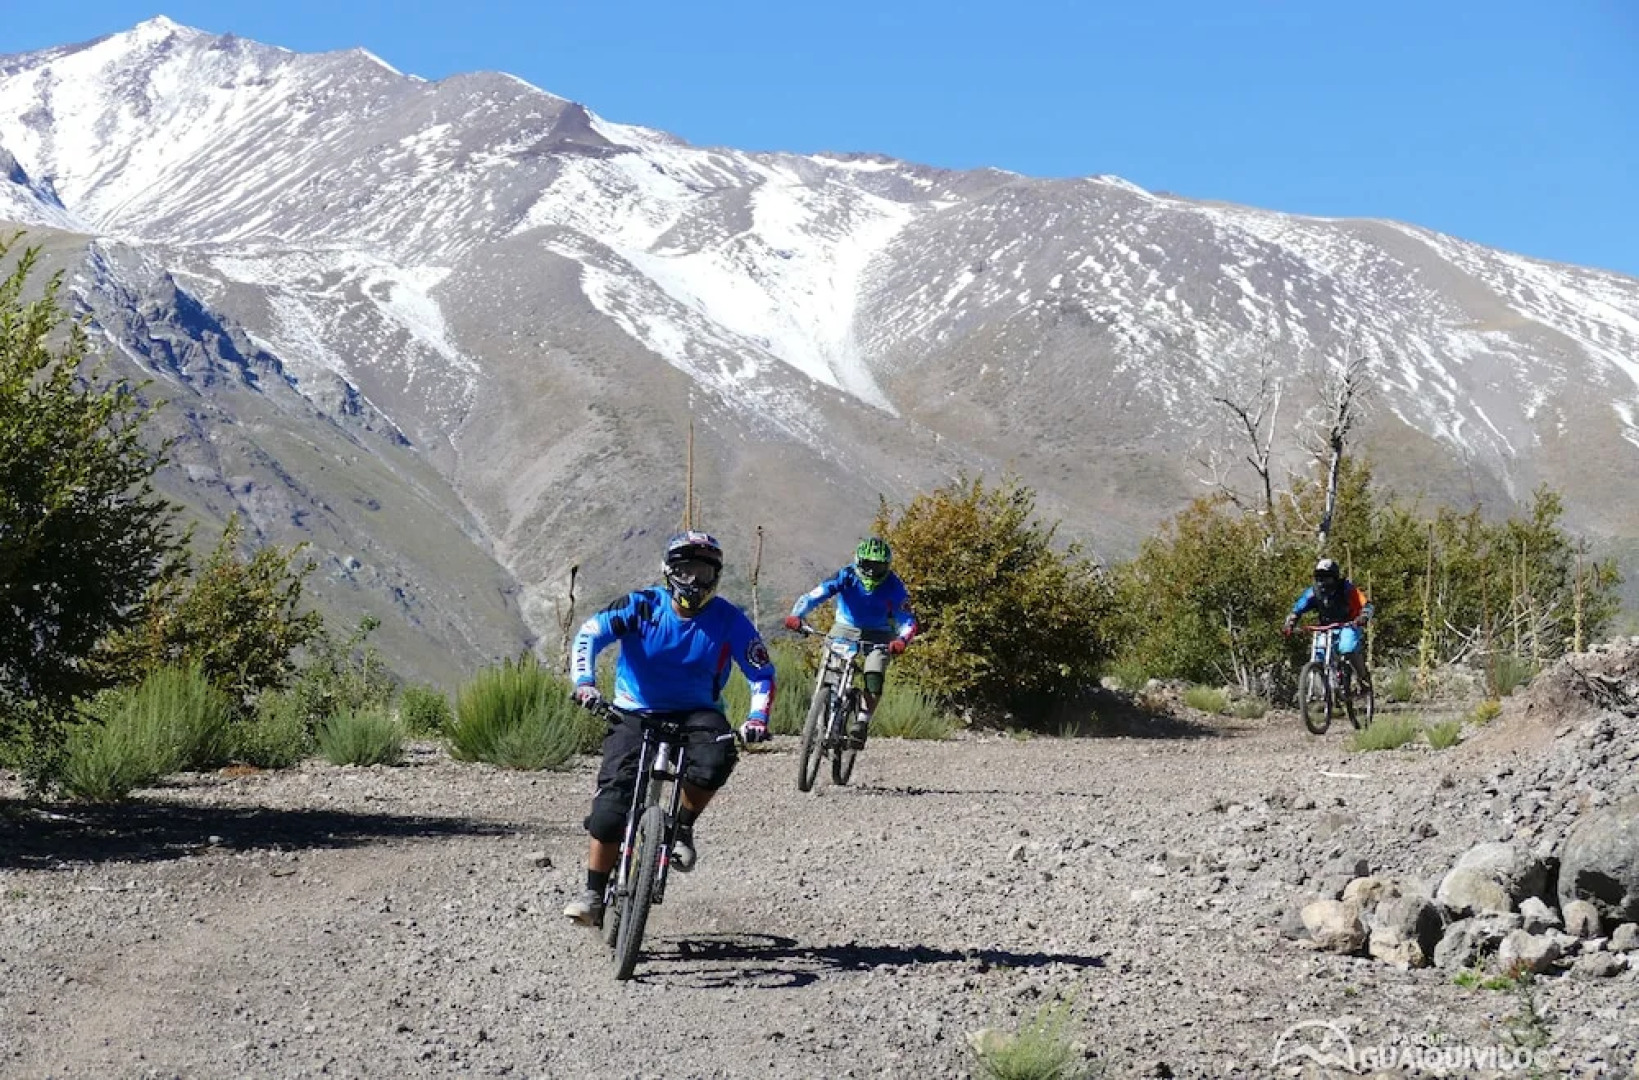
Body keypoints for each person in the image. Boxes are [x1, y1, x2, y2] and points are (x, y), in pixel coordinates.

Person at [563, 530, 775, 926]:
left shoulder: (730, 620)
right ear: (668, 571)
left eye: (703, 571)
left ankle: (682, 828)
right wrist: (585, 683)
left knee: (715, 759)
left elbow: (761, 674)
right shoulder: (640, 605)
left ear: (717, 575)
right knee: (611, 808)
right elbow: (590, 635)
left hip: (698, 710)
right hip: (634, 711)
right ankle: (593, 893)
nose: (694, 580)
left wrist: (756, 718)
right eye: (685, 569)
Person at [783, 536, 917, 748]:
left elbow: (908, 619)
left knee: (874, 674)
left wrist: (901, 639)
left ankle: (862, 721)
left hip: (879, 634)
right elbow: (817, 594)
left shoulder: (894, 587)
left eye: (878, 566)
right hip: (844, 629)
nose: (872, 571)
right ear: (858, 561)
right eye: (868, 565)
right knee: (830, 669)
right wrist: (796, 615)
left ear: (887, 567)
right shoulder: (846, 575)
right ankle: (820, 716)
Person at [1283, 557, 1374, 688]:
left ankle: (1363, 677)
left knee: (1348, 648)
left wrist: (1363, 617)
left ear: (1335, 578)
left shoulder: (1347, 589)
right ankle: (1327, 686)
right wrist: (1290, 623)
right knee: (1319, 654)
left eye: (1327, 577)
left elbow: (1366, 604)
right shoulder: (1313, 592)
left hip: (1348, 624)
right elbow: (1297, 610)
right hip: (1325, 627)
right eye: (1319, 577)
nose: (1322, 581)